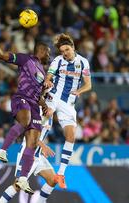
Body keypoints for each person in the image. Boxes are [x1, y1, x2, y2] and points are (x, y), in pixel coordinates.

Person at [0, 24, 51, 194]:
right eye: (48, 52)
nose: (49, 55)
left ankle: (24, 178)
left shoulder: (42, 70)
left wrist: (45, 104)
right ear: (41, 50)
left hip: (34, 104)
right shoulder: (26, 59)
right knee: (24, 123)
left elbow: (38, 95)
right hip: (22, 98)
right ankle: (2, 151)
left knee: (32, 141)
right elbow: (2, 55)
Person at [44, 33, 92, 189]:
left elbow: (88, 85)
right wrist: (47, 81)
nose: (65, 53)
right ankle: (35, 149)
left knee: (71, 137)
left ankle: (61, 173)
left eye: (67, 50)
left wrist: (79, 91)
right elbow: (49, 76)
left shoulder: (83, 63)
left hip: (69, 104)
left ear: (73, 48)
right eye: (62, 51)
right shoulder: (58, 61)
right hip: (54, 97)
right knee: (46, 120)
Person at [0, 117, 57, 203]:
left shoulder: (50, 112)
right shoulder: (38, 111)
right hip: (27, 152)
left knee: (52, 179)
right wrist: (43, 146)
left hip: (38, 154)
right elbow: (31, 135)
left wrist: (41, 148)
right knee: (18, 184)